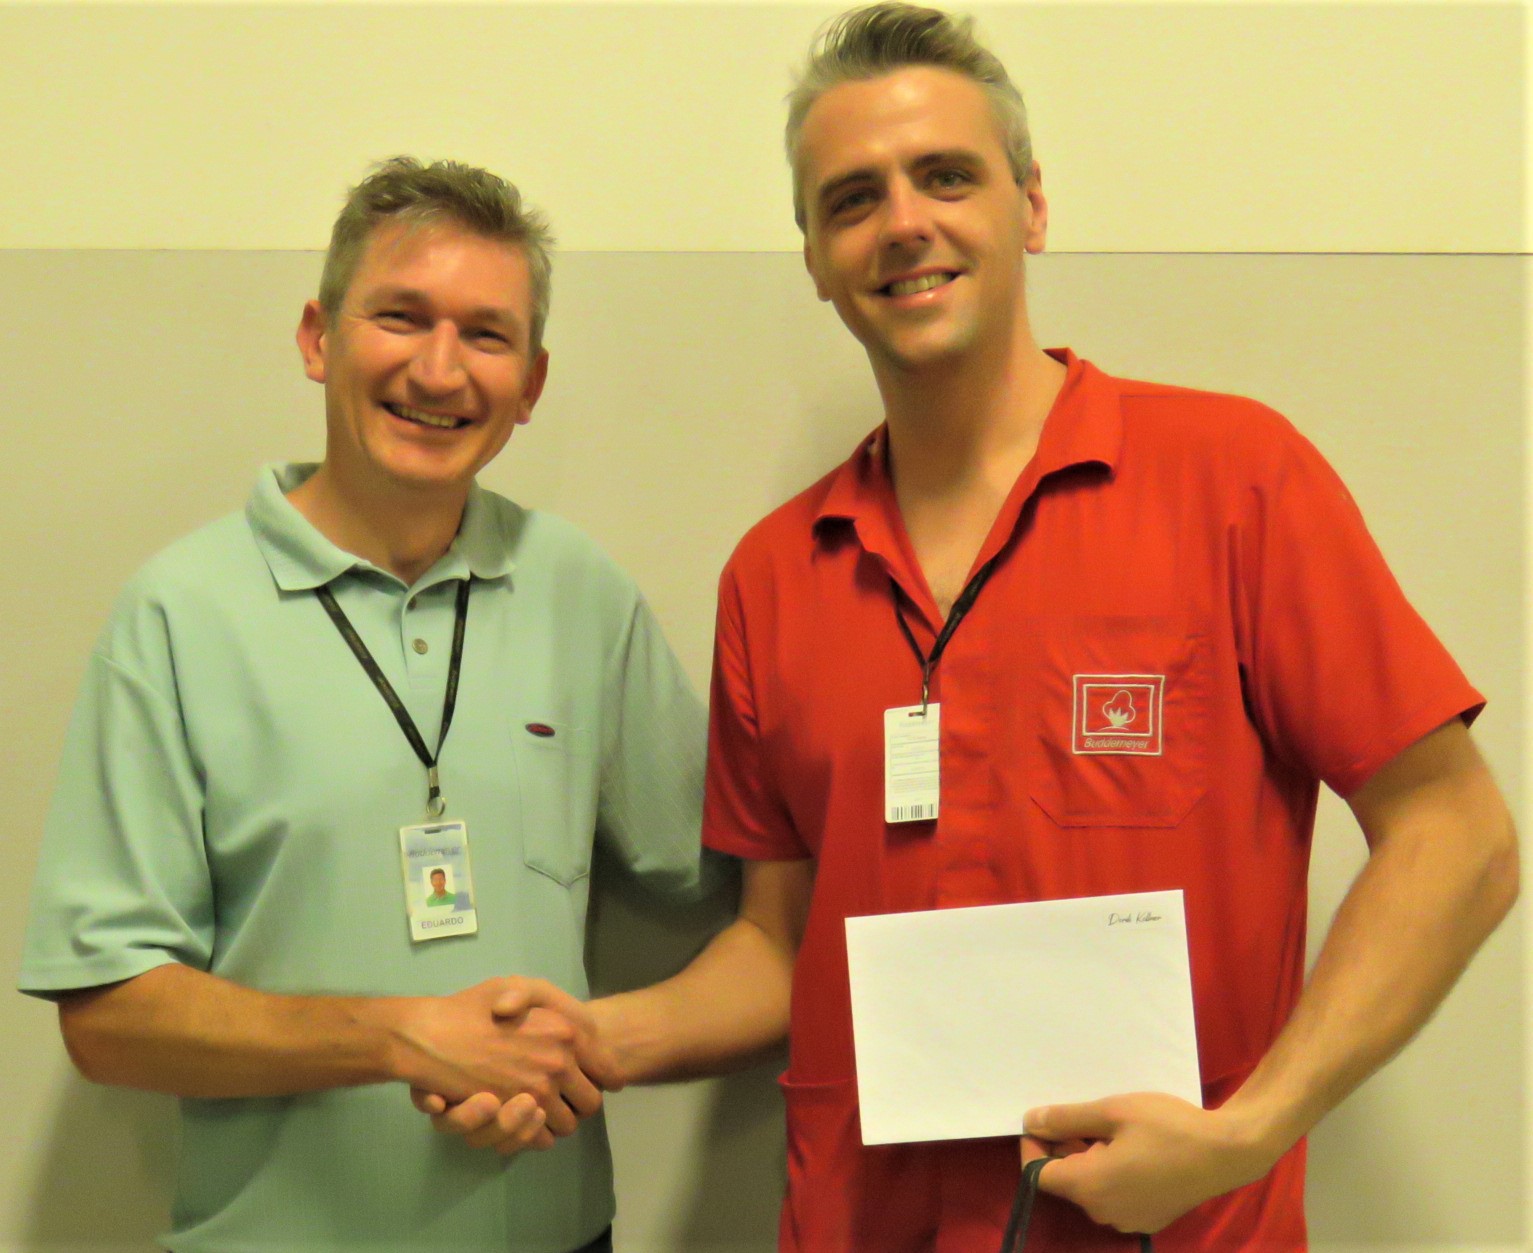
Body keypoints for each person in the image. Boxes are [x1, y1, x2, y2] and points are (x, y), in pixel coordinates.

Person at [420, 6, 1519, 1250]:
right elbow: (781, 943)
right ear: (814, 256)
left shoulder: (1235, 485)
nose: (904, 222)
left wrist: (1249, 1130)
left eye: (946, 176)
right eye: (853, 199)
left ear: (1031, 205)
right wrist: (589, 1038)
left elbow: (1458, 834)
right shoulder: (775, 577)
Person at [19, 157, 710, 1252]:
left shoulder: (579, 593)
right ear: (317, 338)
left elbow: (739, 870)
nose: (439, 369)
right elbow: (108, 1017)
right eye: (400, 316)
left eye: (486, 334)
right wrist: (399, 1037)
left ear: (531, 383)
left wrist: (581, 1046)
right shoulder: (179, 613)